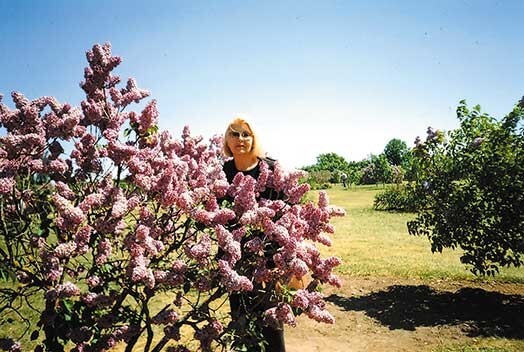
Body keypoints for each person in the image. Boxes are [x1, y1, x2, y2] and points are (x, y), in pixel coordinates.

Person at [221, 116, 286, 352]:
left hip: (267, 257)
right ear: (227, 139)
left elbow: (286, 215)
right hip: (233, 257)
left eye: (246, 134)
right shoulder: (221, 171)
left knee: (271, 325)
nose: (240, 139)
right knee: (242, 325)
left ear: (254, 138)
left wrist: (277, 262)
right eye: (234, 133)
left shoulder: (270, 168)